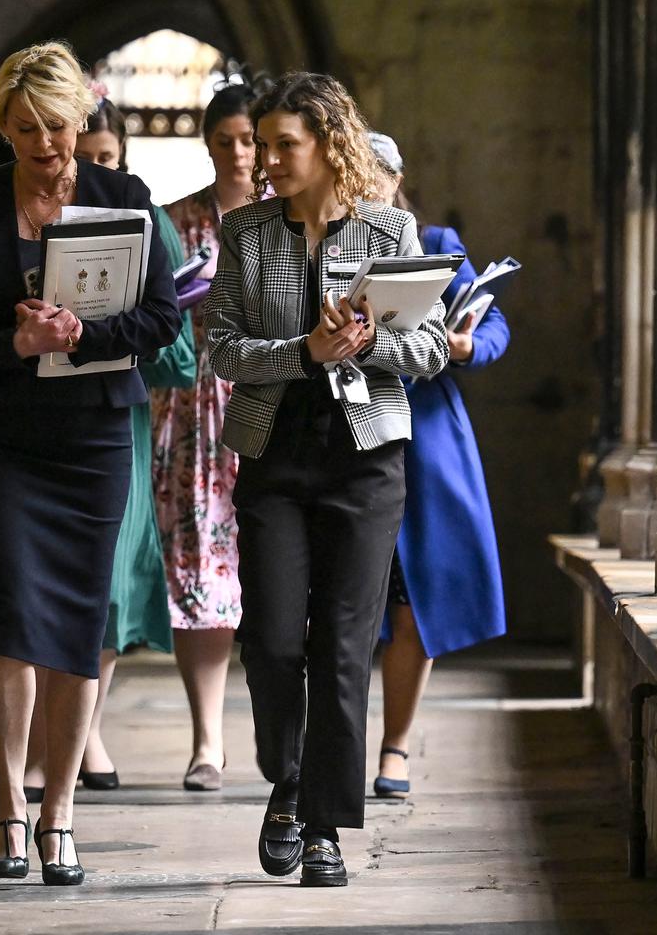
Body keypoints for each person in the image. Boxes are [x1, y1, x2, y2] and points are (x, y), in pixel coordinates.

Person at [0, 41, 181, 886]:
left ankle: (60, 816)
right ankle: (8, 808)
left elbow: (162, 318)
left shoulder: (125, 197)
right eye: (29, 127)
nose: (48, 145)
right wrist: (15, 340)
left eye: (61, 126)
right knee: (9, 608)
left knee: (79, 619)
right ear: (2, 125)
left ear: (85, 119)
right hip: (2, 434)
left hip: (95, 436)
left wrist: (84, 336)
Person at [206, 73, 448, 888]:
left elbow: (427, 351)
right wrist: (303, 351)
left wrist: (366, 342)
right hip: (274, 456)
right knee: (274, 642)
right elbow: (222, 350)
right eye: (261, 144)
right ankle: (288, 776)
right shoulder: (243, 232)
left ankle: (324, 829)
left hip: (365, 460)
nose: (266, 159)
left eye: (283, 145)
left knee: (345, 649)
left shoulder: (389, 230)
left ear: (326, 144)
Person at [366, 132, 510, 800]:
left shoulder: (435, 240)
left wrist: (466, 344)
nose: (373, 189)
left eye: (383, 177)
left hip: (426, 436)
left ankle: (395, 747)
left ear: (399, 181)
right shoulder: (323, 243)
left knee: (414, 597)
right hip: (350, 427)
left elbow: (495, 323)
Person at [152, 82, 260, 791]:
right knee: (200, 576)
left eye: (250, 140)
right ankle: (207, 741)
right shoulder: (179, 219)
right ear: (208, 143)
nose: (240, 154)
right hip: (195, 412)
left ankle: (287, 734)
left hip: (270, 403)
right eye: (226, 141)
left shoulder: (290, 218)